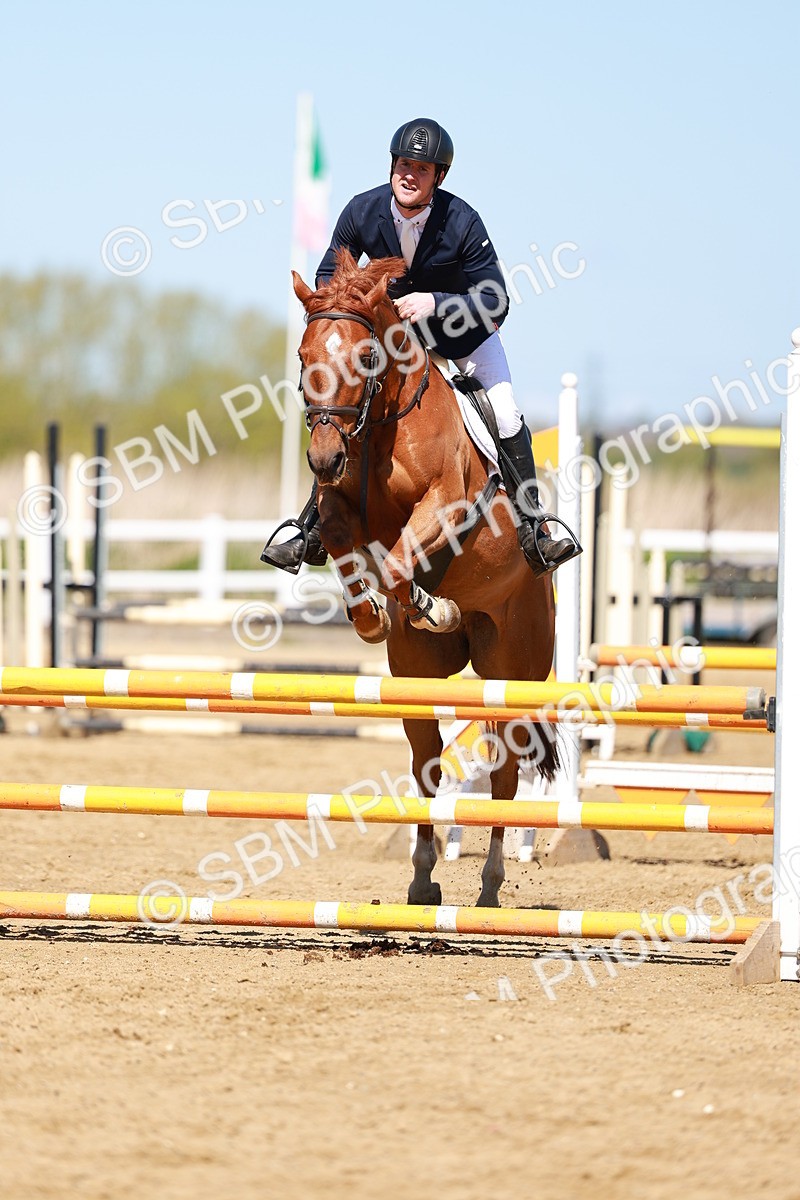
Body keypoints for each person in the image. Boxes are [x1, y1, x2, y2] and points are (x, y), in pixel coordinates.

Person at [261, 117, 580, 576]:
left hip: (463, 337)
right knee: (343, 405)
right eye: (404, 164)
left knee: (506, 411)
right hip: (395, 341)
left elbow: (496, 299)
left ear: (439, 178)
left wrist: (434, 302)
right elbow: (328, 279)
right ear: (392, 166)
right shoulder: (361, 210)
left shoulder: (463, 221)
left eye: (423, 169)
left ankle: (535, 527)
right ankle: (312, 525)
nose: (409, 175)